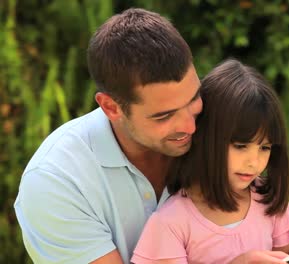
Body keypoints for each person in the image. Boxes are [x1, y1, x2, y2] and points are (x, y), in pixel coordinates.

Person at [131, 59, 289, 264]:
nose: (254, 162)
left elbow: (286, 259)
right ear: (206, 137)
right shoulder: (171, 223)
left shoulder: (268, 201)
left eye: (264, 147)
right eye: (240, 146)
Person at [14, 8, 202, 264]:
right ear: (111, 108)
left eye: (193, 100)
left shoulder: (215, 128)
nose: (190, 127)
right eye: (163, 116)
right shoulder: (56, 181)